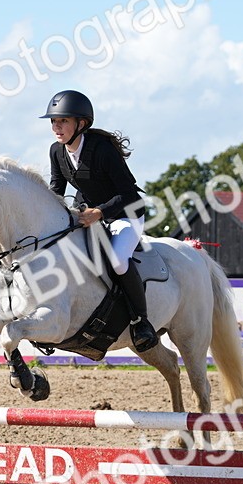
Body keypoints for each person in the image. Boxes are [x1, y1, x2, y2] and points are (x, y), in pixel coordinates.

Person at [43, 90, 157, 352]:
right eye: (53, 122)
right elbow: (56, 190)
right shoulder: (56, 151)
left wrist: (100, 212)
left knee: (117, 260)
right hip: (88, 215)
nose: (56, 127)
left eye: (63, 121)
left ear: (81, 124)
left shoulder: (102, 150)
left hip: (125, 214)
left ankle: (142, 322)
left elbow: (128, 193)